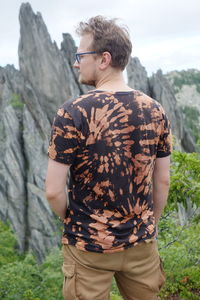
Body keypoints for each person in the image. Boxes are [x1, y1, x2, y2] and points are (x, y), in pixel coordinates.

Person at [45, 15, 172, 300]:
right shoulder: (155, 110)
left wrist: (78, 222)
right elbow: (162, 180)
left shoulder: (72, 112)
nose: (76, 62)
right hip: (142, 244)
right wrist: (146, 226)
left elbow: (53, 191)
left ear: (103, 59)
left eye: (80, 55)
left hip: (89, 249)